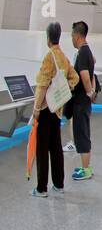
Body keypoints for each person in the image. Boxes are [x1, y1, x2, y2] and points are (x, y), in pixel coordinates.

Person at [30, 22, 78, 198]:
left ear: (48, 37)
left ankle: (41, 188)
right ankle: (58, 184)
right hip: (57, 109)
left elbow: (42, 85)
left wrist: (36, 108)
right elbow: (75, 77)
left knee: (42, 149)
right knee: (56, 147)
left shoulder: (49, 56)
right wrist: (64, 90)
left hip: (45, 109)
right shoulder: (63, 57)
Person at [68, 21, 97, 181]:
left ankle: (85, 169)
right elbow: (93, 68)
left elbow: (85, 75)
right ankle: (86, 166)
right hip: (83, 101)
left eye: (72, 35)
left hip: (80, 101)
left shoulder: (83, 52)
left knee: (82, 133)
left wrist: (89, 92)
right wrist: (91, 93)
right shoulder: (87, 52)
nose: (71, 38)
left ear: (77, 35)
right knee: (83, 132)